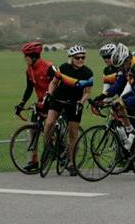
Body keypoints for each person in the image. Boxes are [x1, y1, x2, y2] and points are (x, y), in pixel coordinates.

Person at [92, 43, 135, 181]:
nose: (122, 68)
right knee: (117, 106)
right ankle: (131, 131)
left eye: (122, 65)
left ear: (128, 59)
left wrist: (123, 101)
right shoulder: (127, 65)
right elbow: (119, 84)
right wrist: (103, 96)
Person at [41, 45, 93, 176]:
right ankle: (50, 148)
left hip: (75, 102)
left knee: (73, 133)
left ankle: (71, 163)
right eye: (77, 58)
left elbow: (87, 92)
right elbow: (53, 82)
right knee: (48, 123)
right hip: (59, 98)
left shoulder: (88, 73)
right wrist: (50, 93)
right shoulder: (63, 68)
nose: (80, 60)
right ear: (71, 58)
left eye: (82, 57)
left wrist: (81, 101)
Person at [15, 41, 57, 172]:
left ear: (33, 56)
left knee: (51, 130)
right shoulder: (29, 70)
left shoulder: (48, 67)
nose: (24, 59)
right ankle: (34, 161)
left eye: (25, 56)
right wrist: (21, 104)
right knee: (33, 130)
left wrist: (51, 97)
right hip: (40, 102)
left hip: (53, 101)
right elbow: (29, 88)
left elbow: (59, 83)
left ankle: (60, 149)